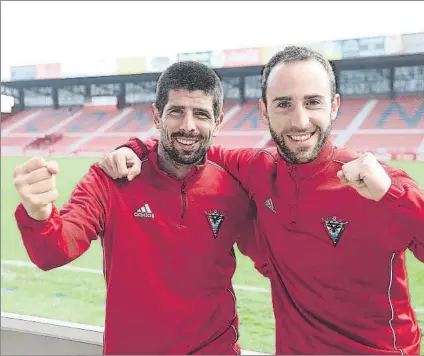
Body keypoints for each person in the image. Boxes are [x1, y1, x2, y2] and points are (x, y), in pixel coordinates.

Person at [101, 46, 424, 355]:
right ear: (264, 110)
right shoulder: (257, 169)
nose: (299, 121)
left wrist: (391, 194)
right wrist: (135, 147)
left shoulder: (376, 181)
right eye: (284, 104)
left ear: (335, 106)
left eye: (312, 102)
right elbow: (187, 144)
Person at [13, 61, 269, 355]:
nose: (188, 125)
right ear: (157, 116)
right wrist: (39, 212)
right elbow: (53, 251)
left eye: (201, 114)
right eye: (176, 112)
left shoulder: (232, 187)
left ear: (218, 121)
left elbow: (275, 261)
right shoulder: (110, 179)